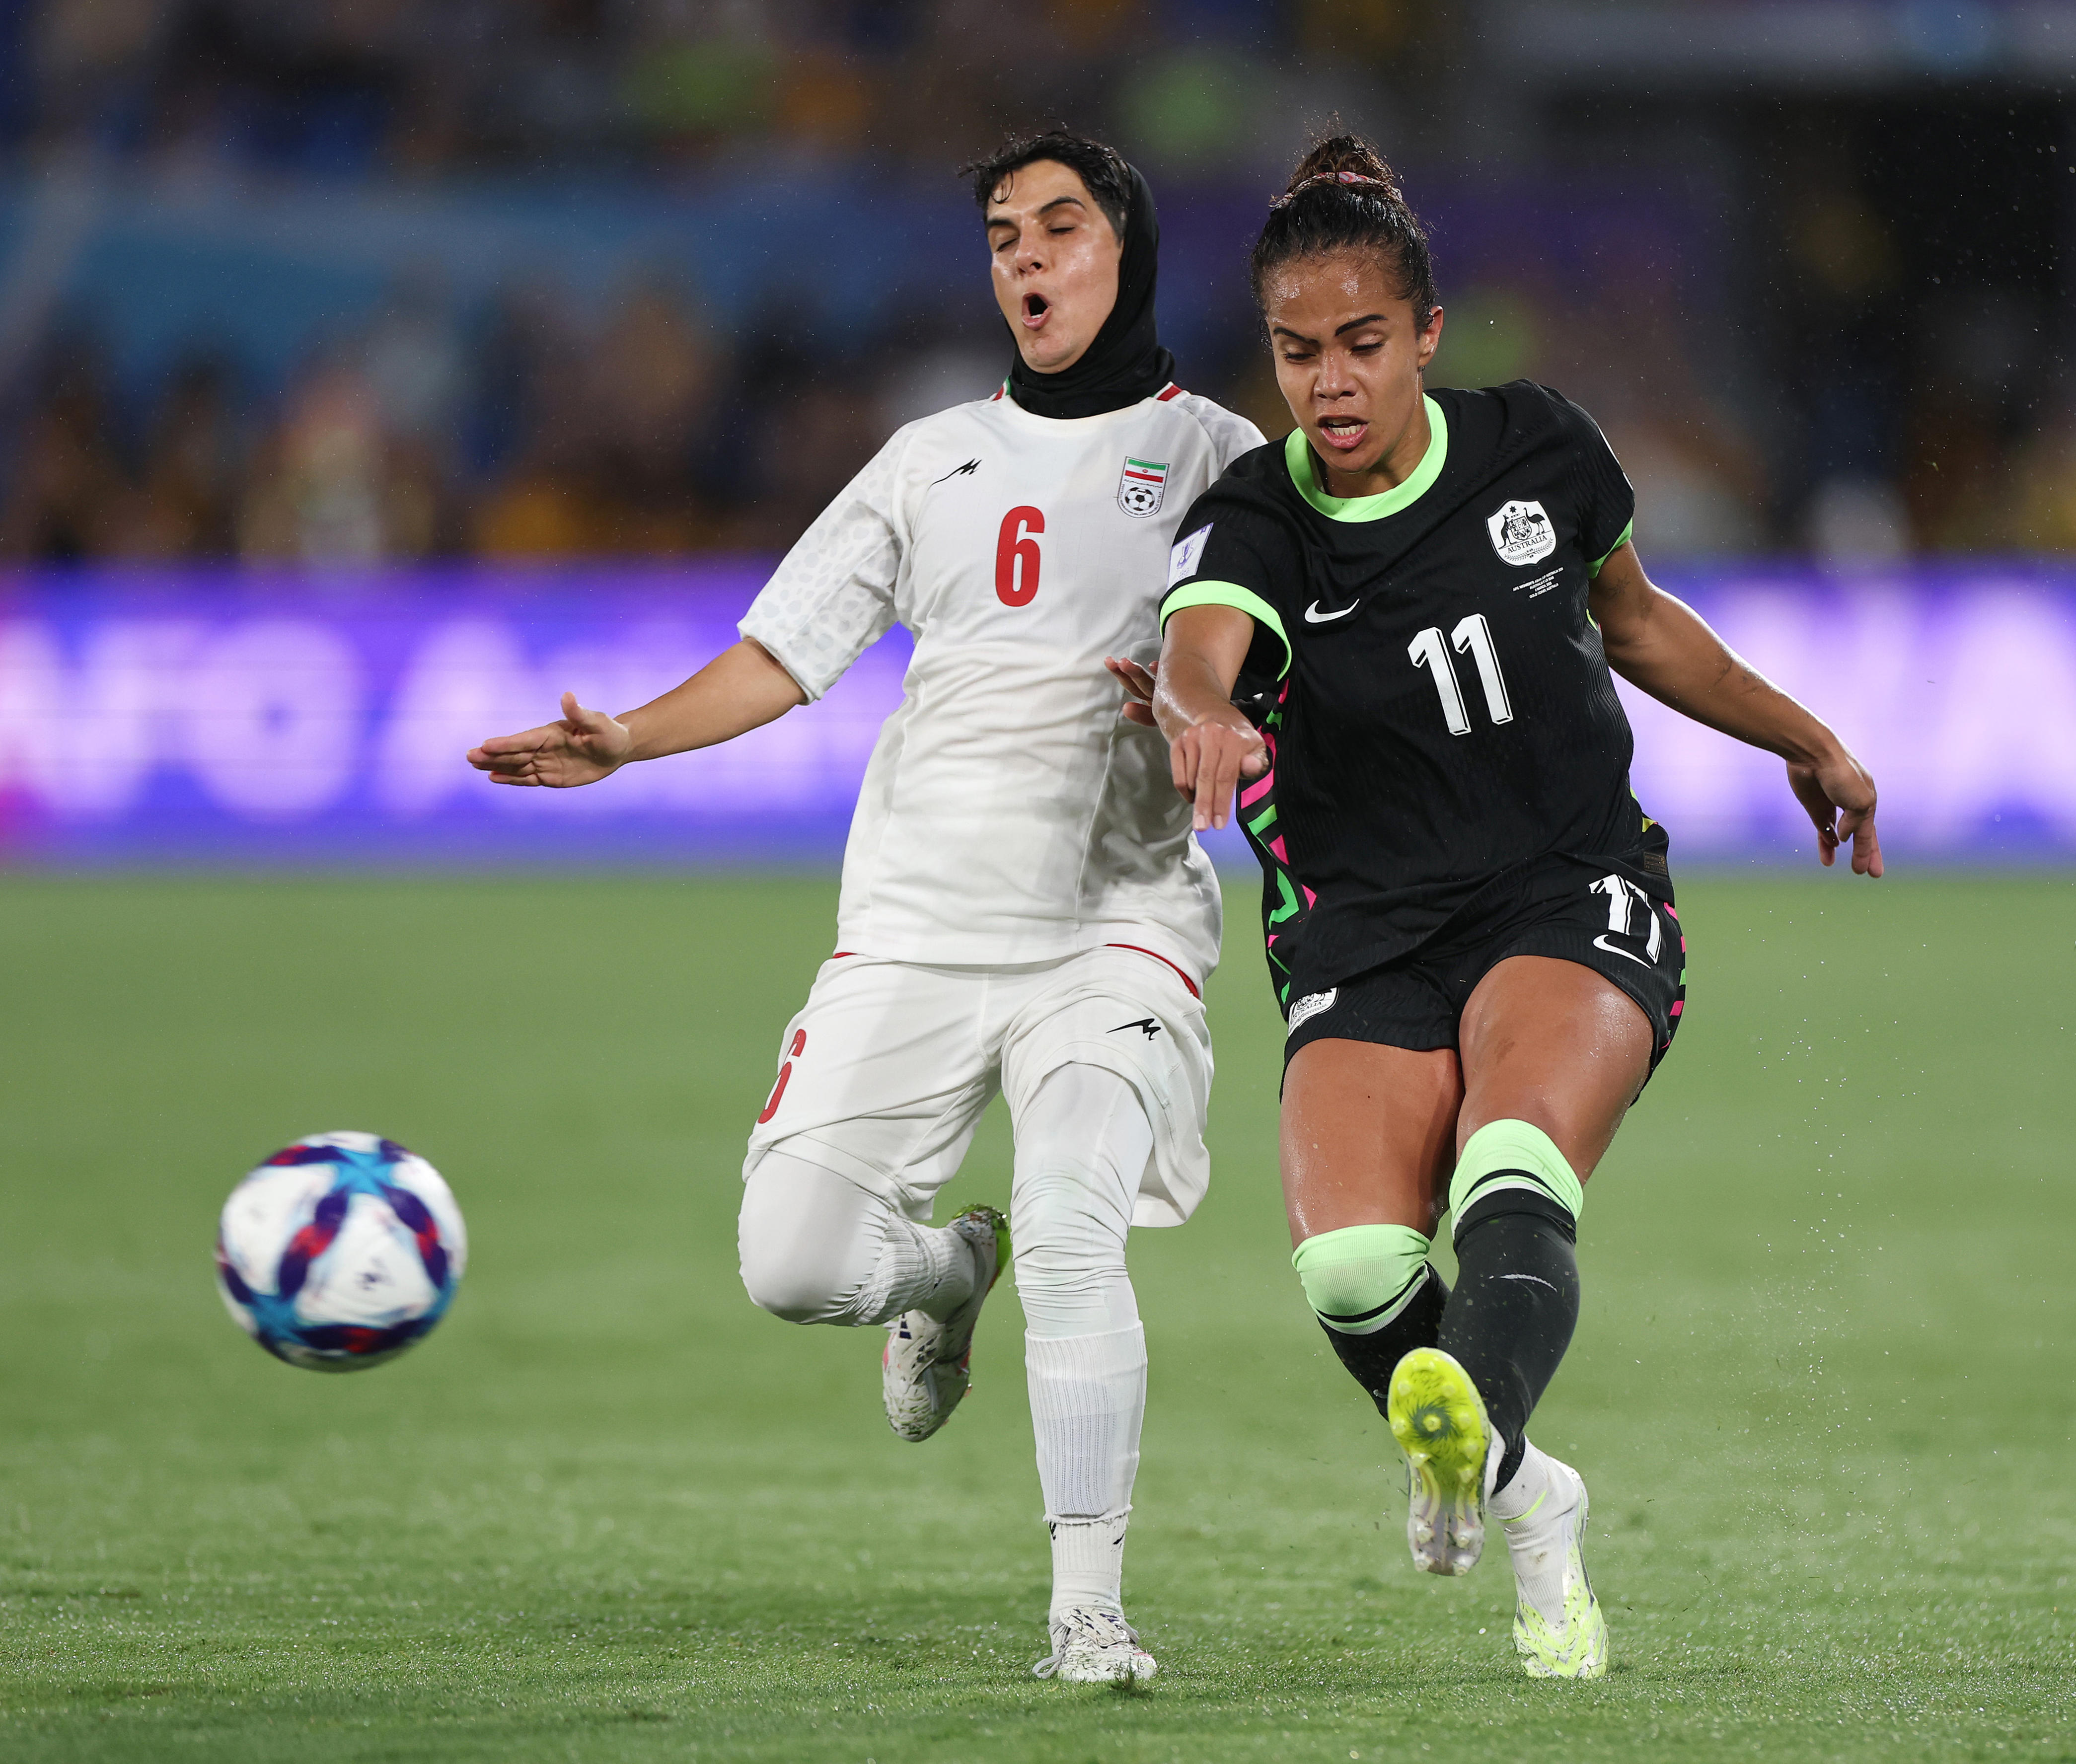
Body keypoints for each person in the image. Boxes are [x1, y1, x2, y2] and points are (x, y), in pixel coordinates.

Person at [467, 130, 1261, 1683]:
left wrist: (1209, 715)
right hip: (914, 923)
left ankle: (1086, 1610)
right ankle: (946, 1277)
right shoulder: (929, 456)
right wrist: (629, 737)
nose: (1026, 260)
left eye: (1060, 228)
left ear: (1133, 250)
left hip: (1115, 924)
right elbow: (790, 646)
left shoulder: (1223, 455)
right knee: (792, 1262)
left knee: (1078, 1226)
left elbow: (1278, 672)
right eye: (1001, 236)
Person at [1130, 136, 1883, 1681]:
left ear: (1426, 336)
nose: (1327, 385)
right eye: (1294, 352)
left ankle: (1472, 1419)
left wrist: (1805, 736)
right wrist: (1194, 710)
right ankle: (1532, 1495)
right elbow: (1201, 648)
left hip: (1570, 883)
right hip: (1363, 928)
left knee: (1512, 1168)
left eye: (1357, 345)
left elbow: (1639, 623)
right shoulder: (1260, 518)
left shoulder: (1539, 447)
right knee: (1351, 1275)